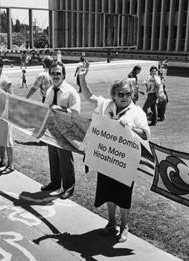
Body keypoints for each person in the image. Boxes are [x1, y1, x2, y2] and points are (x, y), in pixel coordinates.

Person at [78, 62, 150, 242]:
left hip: (125, 162)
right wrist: (82, 78)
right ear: (114, 95)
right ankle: (111, 222)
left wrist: (132, 128)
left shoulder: (137, 112)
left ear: (132, 94)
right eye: (120, 94)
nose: (125, 97)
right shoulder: (106, 105)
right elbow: (88, 97)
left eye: (128, 94)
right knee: (108, 192)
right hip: (107, 159)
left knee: (123, 195)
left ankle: (124, 225)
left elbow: (146, 134)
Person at [40, 61, 81, 199]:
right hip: (52, 130)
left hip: (66, 131)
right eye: (52, 73)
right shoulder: (50, 90)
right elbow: (46, 109)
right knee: (53, 157)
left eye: (58, 73)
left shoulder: (70, 92)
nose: (55, 76)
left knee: (65, 159)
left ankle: (69, 187)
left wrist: (61, 109)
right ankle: (55, 182)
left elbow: (76, 113)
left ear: (64, 74)